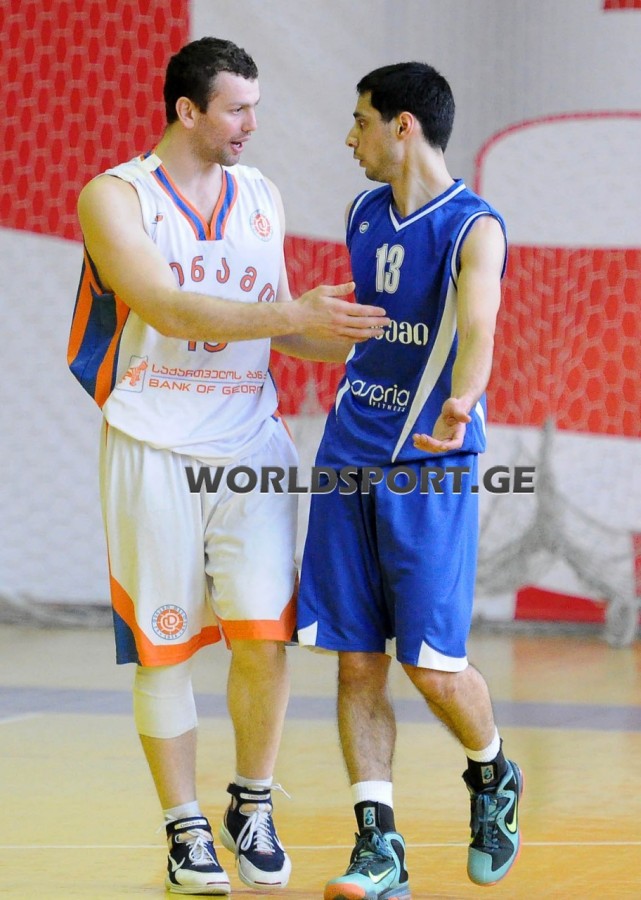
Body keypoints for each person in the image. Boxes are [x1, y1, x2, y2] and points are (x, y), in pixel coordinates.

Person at [67, 37, 387, 896]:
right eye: (236, 109)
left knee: (262, 637)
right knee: (164, 648)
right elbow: (168, 307)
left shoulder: (260, 195)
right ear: (187, 110)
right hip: (153, 442)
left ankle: (252, 803)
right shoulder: (115, 196)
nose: (251, 124)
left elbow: (275, 324)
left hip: (249, 440)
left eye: (255, 108)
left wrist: (370, 340)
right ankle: (184, 827)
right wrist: (291, 313)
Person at [297, 62, 522, 898]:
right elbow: (354, 331)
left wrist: (464, 397)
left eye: (360, 120)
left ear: (402, 125)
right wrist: (261, 325)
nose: (348, 137)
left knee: (430, 665)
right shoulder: (361, 214)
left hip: (428, 464)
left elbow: (478, 322)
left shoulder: (473, 227)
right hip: (346, 456)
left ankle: (492, 772)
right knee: (356, 662)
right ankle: (377, 845)